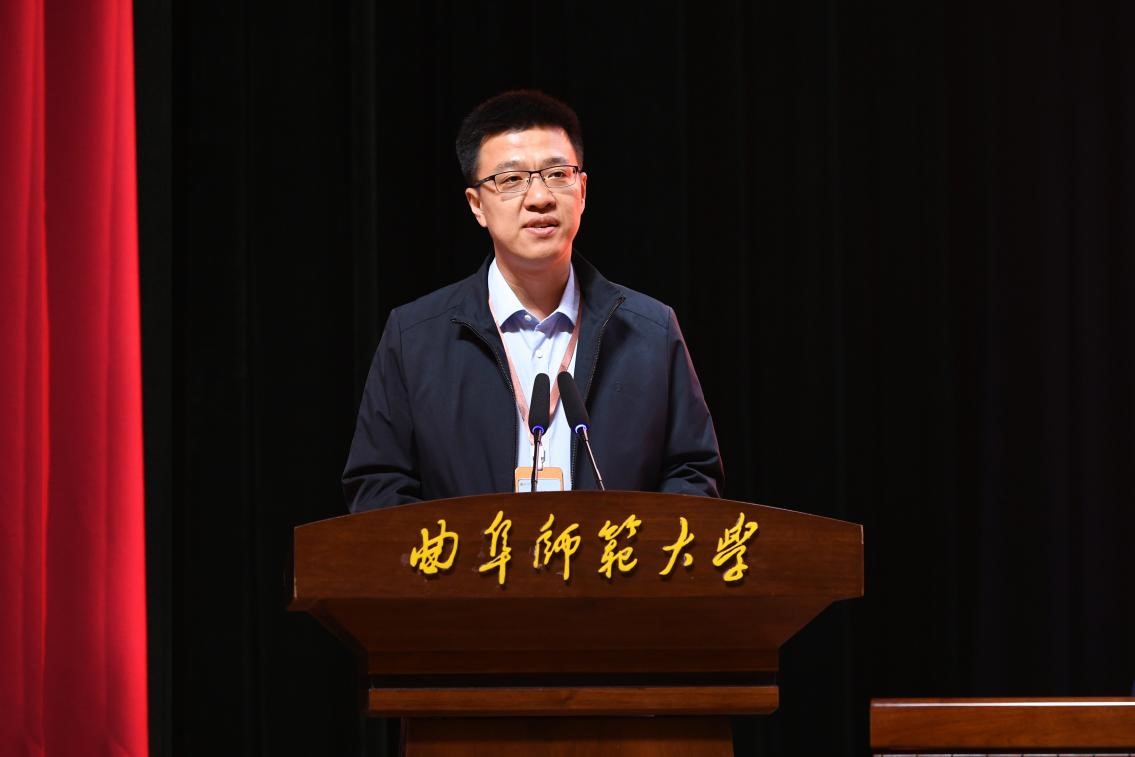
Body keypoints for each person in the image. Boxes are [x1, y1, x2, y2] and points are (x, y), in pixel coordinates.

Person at [343, 90, 722, 511]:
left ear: (582, 191)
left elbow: (691, 472)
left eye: (557, 174)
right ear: (476, 205)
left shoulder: (649, 330)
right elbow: (379, 484)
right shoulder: (414, 338)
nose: (540, 197)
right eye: (511, 180)